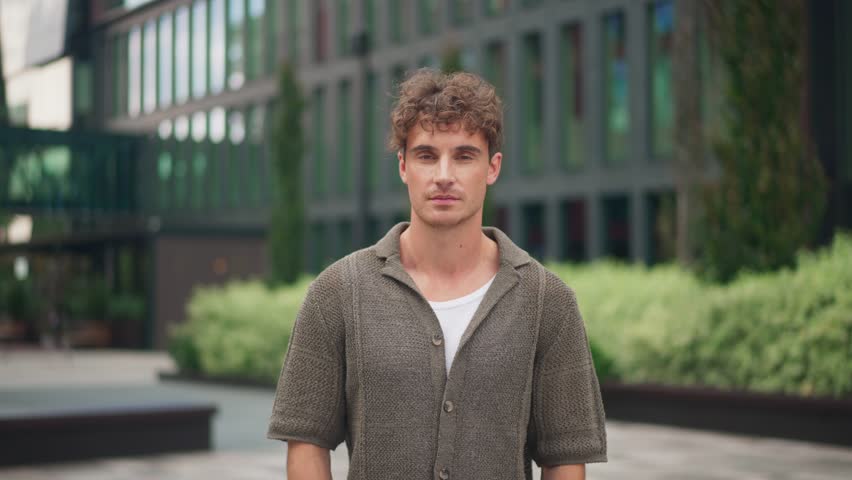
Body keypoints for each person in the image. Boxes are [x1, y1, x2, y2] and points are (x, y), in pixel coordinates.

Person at [267, 69, 607, 480]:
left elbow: (565, 457)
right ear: (403, 166)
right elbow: (306, 444)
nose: (444, 175)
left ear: (493, 167)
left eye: (464, 155)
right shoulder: (338, 292)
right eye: (427, 155)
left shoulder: (546, 301)